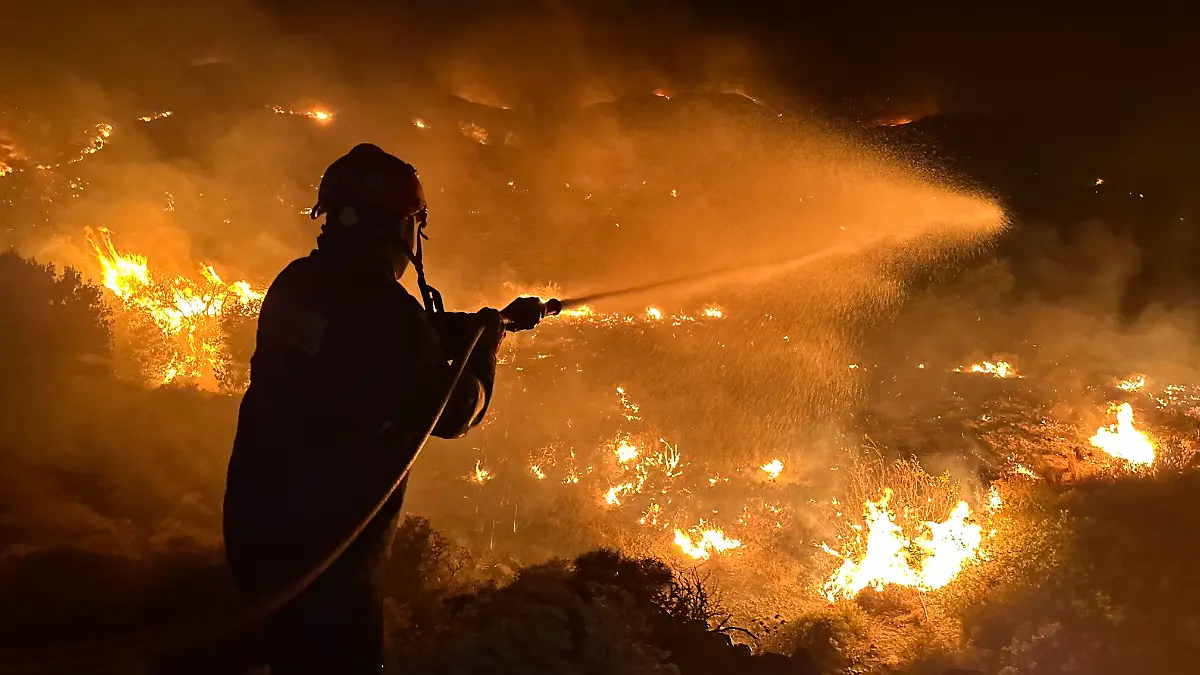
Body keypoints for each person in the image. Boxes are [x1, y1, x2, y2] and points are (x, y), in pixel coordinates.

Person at [222, 143, 547, 674]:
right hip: (329, 556)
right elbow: (455, 411)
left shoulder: (299, 284)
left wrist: (478, 324)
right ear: (402, 229)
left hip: (257, 528)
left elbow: (363, 343)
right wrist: (486, 351)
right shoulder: (387, 317)